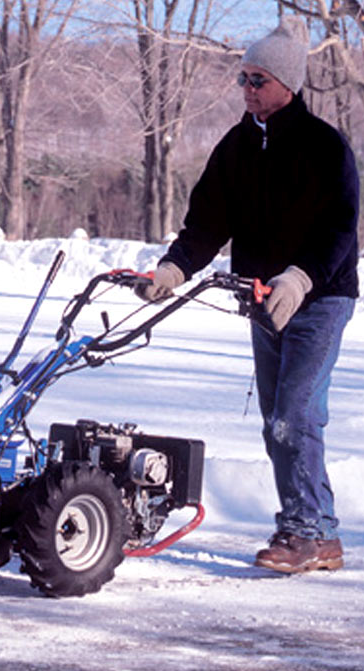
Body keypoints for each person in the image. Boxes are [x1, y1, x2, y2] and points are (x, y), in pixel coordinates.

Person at [138, 16, 359, 573]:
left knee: (295, 415)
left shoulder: (323, 146)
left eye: (257, 79)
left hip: (319, 296)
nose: (247, 89)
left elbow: (341, 228)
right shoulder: (237, 146)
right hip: (261, 298)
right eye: (243, 79)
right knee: (278, 419)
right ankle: (322, 531)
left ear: (287, 83)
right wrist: (174, 268)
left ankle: (303, 531)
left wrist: (300, 277)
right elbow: (208, 222)